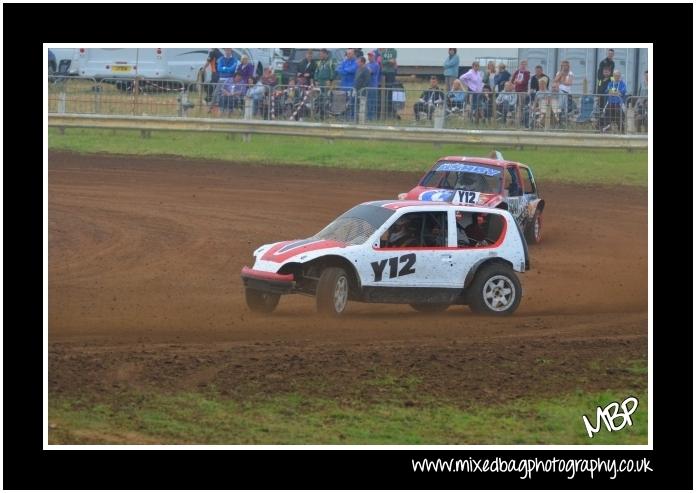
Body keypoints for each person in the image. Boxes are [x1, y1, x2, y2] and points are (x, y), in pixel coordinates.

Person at [366, 51, 381, 120]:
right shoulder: (367, 64)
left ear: (374, 57)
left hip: (373, 85)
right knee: (368, 102)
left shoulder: (376, 64)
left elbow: (371, 72)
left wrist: (365, 68)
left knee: (372, 102)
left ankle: (372, 117)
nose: (369, 57)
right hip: (367, 85)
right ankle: (368, 116)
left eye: (371, 56)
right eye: (369, 56)